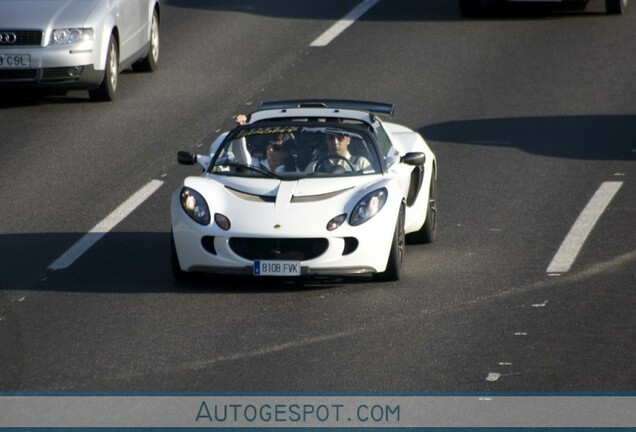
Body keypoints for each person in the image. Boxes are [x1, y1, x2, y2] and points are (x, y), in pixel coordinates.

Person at [306, 132, 371, 172]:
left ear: (348, 140)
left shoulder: (361, 164)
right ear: (326, 141)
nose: (335, 142)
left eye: (340, 137)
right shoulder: (314, 167)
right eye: (331, 138)